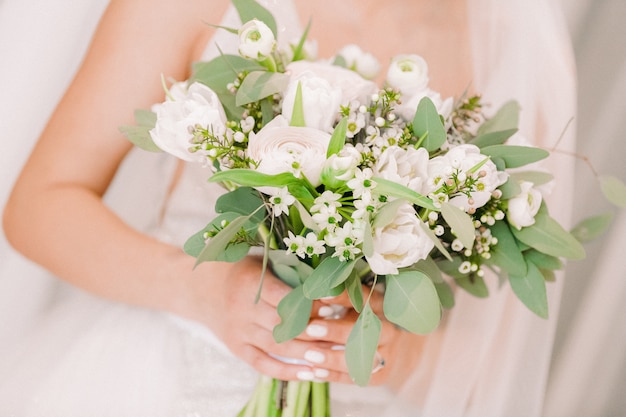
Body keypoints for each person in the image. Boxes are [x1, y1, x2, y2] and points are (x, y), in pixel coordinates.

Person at [0, 0, 577, 416]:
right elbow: (39, 205)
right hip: (163, 374)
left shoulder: (511, 53)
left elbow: (493, 350)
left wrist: (400, 350)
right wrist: (201, 291)